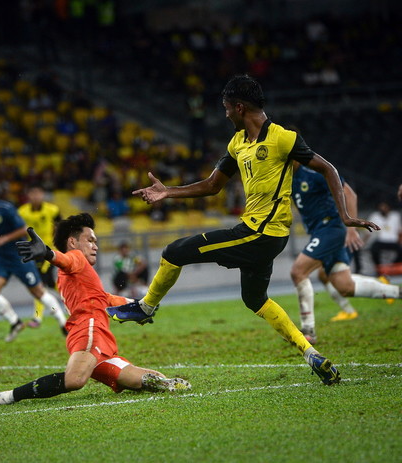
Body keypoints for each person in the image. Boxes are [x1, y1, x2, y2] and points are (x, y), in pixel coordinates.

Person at [107, 74, 379, 386]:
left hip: (259, 234)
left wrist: (345, 216)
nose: (224, 114)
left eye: (226, 109)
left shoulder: (283, 138)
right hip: (264, 236)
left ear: (239, 108)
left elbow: (328, 168)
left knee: (173, 252)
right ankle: (310, 352)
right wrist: (168, 191)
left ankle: (145, 307)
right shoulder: (238, 143)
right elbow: (212, 186)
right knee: (254, 299)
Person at [0, 213, 190, 407]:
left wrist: (137, 305)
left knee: (141, 379)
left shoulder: (80, 272)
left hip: (93, 333)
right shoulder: (76, 259)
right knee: (75, 380)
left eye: (96, 241)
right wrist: (49, 254)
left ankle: (163, 381)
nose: (96, 246)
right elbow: (65, 260)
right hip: (90, 330)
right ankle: (0, 398)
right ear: (73, 242)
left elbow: (104, 298)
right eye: (90, 240)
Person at [290, 161, 400, 344]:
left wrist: (351, 228)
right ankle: (397, 292)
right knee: (344, 286)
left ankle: (308, 330)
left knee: (298, 271)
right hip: (319, 231)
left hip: (330, 229)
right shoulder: (288, 177)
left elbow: (349, 193)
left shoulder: (315, 172)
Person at [0, 177, 67, 342]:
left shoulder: (6, 208)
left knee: (39, 291)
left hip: (20, 256)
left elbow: (22, 229)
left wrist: (3, 239)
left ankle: (62, 322)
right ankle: (15, 322)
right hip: (1, 259)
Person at [17, 184, 67, 334]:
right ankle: (73, 301)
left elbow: (61, 226)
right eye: (32, 193)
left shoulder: (52, 210)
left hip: (47, 251)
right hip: (32, 252)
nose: (35, 196)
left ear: (42, 194)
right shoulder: (22, 212)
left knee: (39, 284)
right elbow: (17, 229)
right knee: (50, 284)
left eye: (38, 193)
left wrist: (60, 242)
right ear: (28, 196)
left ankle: (37, 318)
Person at [365, 200, 402, 276]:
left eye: (385, 206)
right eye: (381, 206)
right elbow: (368, 232)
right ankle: (379, 268)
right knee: (373, 249)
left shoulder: (395, 216)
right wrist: (363, 242)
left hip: (393, 241)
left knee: (400, 251)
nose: (383, 208)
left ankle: (392, 268)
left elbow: (399, 231)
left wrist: (400, 241)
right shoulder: (375, 216)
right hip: (381, 240)